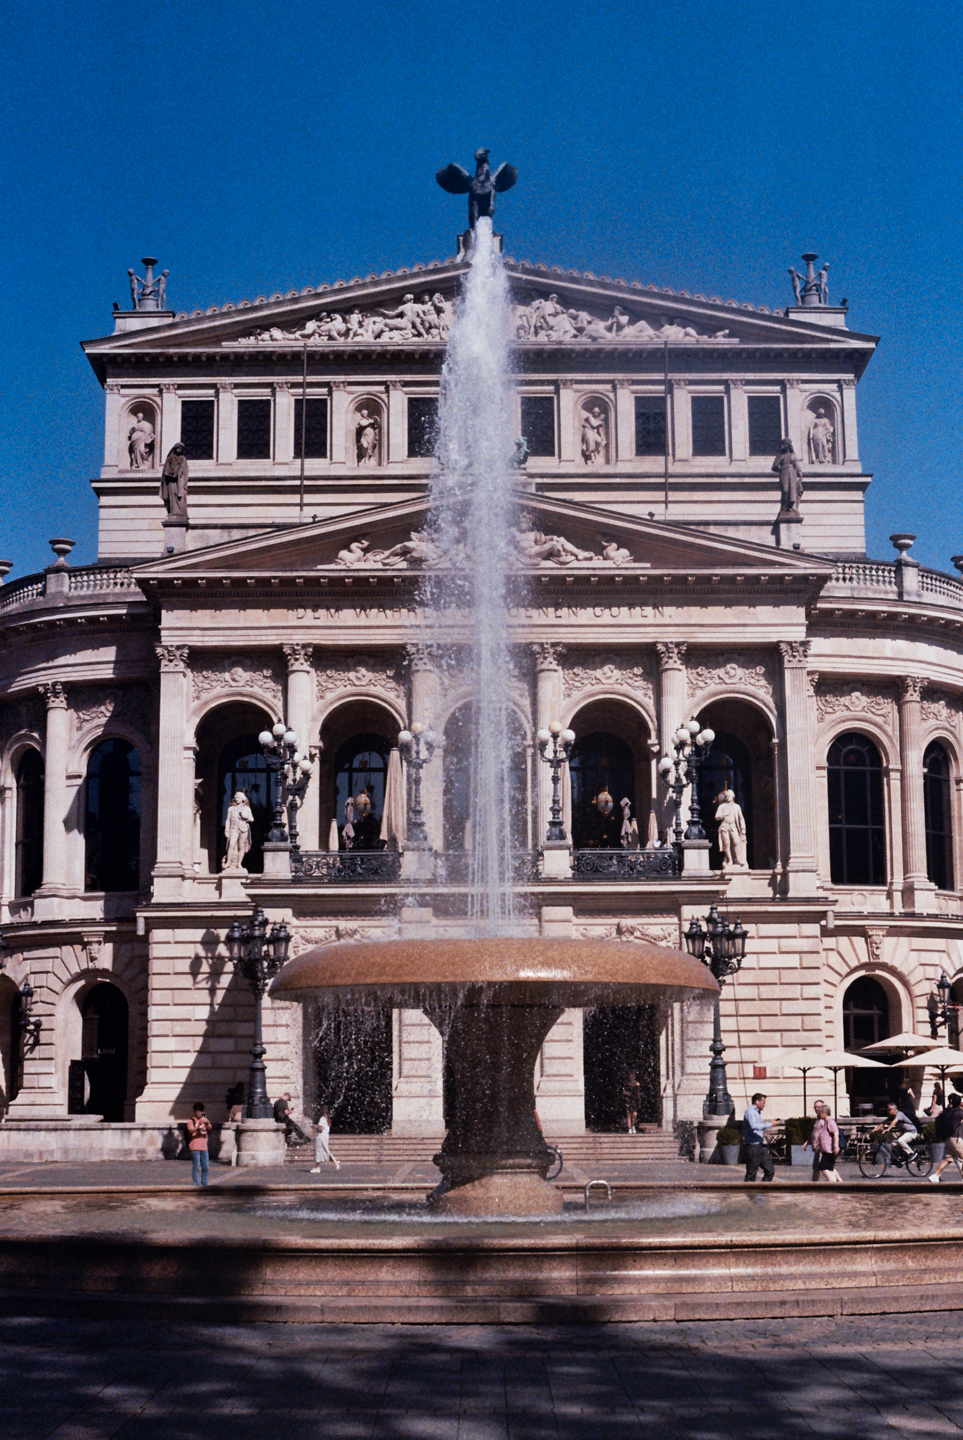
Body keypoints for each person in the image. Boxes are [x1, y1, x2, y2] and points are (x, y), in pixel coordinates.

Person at [929, 1093, 963, 1182]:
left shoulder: (947, 1112)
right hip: (956, 1139)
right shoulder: (959, 1113)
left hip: (948, 1139)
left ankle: (935, 1176)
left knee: (948, 1159)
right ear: (959, 1103)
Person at [742, 1093, 776, 1182]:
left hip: (760, 1146)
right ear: (757, 1101)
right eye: (763, 1102)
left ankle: (763, 1190)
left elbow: (757, 1127)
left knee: (770, 1171)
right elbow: (753, 1126)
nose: (764, 1105)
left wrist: (763, 1132)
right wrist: (770, 1124)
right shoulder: (750, 1111)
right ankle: (749, 1194)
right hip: (752, 1147)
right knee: (751, 1174)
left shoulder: (757, 1112)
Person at [808, 1102, 842, 1183]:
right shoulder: (826, 1122)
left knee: (823, 1167)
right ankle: (838, 1183)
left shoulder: (830, 1122)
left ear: (825, 1113)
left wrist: (835, 1146)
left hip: (829, 1150)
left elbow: (836, 1133)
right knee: (829, 1168)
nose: (819, 1114)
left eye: (820, 1113)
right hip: (825, 1149)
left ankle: (832, 1184)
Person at [714, 789, 748, 868]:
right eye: (727, 796)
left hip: (733, 826)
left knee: (736, 842)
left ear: (733, 797)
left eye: (729, 796)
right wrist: (723, 815)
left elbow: (741, 818)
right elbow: (717, 817)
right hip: (724, 827)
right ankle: (729, 860)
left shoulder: (736, 807)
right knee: (727, 844)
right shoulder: (721, 806)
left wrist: (743, 829)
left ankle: (738, 859)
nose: (728, 797)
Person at [223, 791, 254, 870]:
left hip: (243, 829)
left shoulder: (247, 809)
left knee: (241, 846)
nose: (236, 799)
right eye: (235, 798)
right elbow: (228, 820)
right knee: (231, 845)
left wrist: (245, 817)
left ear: (242, 799)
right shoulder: (231, 809)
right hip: (234, 828)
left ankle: (239, 863)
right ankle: (228, 863)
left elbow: (252, 819)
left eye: (238, 797)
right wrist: (226, 829)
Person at [772, 439, 803, 513]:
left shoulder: (792, 455)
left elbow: (796, 465)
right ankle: (784, 507)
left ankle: (791, 506)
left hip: (792, 474)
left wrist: (800, 473)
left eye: (785, 444)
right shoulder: (779, 455)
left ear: (788, 445)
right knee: (785, 490)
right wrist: (781, 469)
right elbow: (774, 467)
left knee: (792, 490)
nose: (783, 446)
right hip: (784, 473)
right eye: (783, 444)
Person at [160, 442, 189, 518]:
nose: (179, 450)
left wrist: (176, 474)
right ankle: (173, 511)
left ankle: (180, 512)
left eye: (181, 449)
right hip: (171, 481)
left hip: (178, 481)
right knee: (172, 495)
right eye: (178, 448)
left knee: (179, 495)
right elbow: (166, 468)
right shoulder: (170, 458)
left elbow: (182, 468)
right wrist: (169, 474)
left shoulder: (183, 459)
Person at [187, 1101, 211, 1186]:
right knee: (196, 1167)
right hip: (195, 1146)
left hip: (204, 1147)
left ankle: (204, 1184)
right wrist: (198, 1125)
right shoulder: (191, 1121)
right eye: (198, 1111)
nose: (199, 1113)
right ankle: (196, 1184)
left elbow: (210, 1127)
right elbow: (191, 1130)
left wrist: (206, 1123)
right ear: (195, 1111)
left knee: (205, 1167)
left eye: (201, 1111)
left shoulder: (204, 1120)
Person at [311, 1107, 340, 1172]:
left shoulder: (322, 1118)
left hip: (321, 1136)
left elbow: (321, 1129)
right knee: (325, 1150)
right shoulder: (328, 1119)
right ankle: (334, 1162)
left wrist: (315, 1126)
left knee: (319, 1150)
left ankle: (318, 1167)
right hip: (325, 1136)